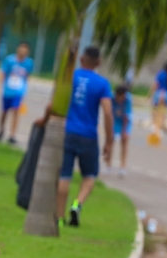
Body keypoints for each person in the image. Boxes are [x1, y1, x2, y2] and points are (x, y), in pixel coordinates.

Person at [57, 46, 113, 229]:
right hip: (89, 135)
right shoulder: (102, 84)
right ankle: (76, 204)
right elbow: (107, 112)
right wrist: (109, 141)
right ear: (99, 62)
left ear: (81, 59)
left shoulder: (71, 77)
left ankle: (59, 218)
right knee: (89, 176)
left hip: (68, 131)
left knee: (64, 175)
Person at [0, 42, 33, 145]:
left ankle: (12, 135)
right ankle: (1, 130)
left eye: (25, 51)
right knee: (4, 111)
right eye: (21, 50)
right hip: (8, 90)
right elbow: (3, 73)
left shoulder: (29, 63)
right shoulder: (9, 60)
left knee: (16, 111)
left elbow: (27, 76)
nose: (23, 52)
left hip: (19, 91)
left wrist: (25, 89)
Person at [111, 81, 133, 177]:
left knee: (124, 142)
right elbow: (110, 114)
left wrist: (124, 132)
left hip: (125, 122)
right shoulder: (112, 98)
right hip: (115, 120)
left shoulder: (128, 99)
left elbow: (126, 117)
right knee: (110, 141)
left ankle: (122, 166)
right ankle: (108, 164)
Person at [152, 61, 167, 135]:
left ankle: (154, 125)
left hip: (159, 93)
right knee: (164, 111)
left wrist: (151, 94)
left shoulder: (161, 74)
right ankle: (161, 126)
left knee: (155, 109)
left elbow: (156, 84)